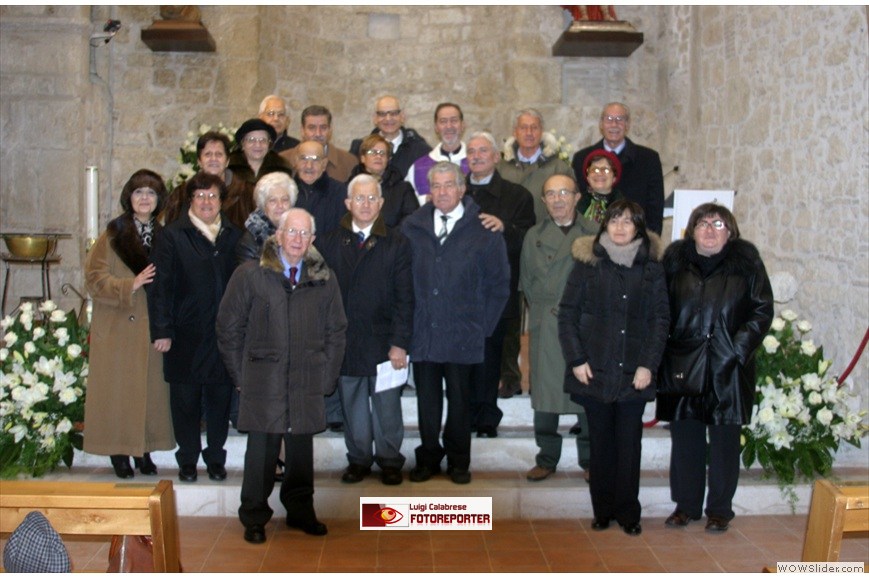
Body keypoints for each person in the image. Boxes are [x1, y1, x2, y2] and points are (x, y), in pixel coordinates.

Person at [216, 208, 346, 544]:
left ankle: (300, 511)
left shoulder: (324, 278)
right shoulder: (250, 274)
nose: (298, 239)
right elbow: (228, 328)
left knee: (300, 452)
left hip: (306, 377)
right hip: (263, 378)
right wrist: (240, 375)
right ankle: (254, 516)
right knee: (261, 452)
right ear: (278, 235)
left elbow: (336, 330)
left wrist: (327, 377)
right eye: (292, 231)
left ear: (312, 239)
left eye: (304, 233)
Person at [656, 203, 774, 533]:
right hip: (683, 363)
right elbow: (659, 309)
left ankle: (720, 509)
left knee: (724, 442)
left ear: (730, 232)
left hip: (728, 367)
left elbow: (762, 310)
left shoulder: (747, 264)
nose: (710, 230)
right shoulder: (674, 265)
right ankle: (686, 506)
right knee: (686, 440)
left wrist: (736, 350)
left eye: (718, 224)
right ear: (691, 231)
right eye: (703, 223)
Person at [558, 199, 669, 537]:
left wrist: (648, 365)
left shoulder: (651, 268)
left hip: (634, 374)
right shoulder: (588, 264)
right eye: (614, 220)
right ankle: (602, 510)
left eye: (628, 221)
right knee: (601, 446)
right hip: (594, 370)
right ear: (604, 225)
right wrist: (577, 360)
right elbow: (567, 315)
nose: (620, 227)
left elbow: (660, 320)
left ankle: (628, 513)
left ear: (639, 228)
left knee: (629, 447)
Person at [401, 161, 509, 484]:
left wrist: (482, 327)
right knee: (427, 401)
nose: (443, 191)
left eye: (450, 185)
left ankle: (459, 460)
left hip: (464, 332)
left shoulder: (484, 229)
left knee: (461, 400)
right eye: (436, 186)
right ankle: (428, 456)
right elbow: (400, 279)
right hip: (424, 331)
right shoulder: (412, 228)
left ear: (462, 189)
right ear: (428, 192)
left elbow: (499, 284)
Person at [316, 174, 414, 486]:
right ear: (348, 203)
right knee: (353, 406)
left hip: (384, 343)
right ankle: (358, 459)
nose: (366, 204)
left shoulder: (397, 242)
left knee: (387, 408)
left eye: (372, 198)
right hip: (346, 341)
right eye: (359, 198)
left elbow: (406, 298)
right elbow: (318, 295)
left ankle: (389, 460)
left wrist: (400, 343)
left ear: (381, 203)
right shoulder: (328, 242)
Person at [149, 171, 243, 483]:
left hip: (223, 335)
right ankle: (188, 458)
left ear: (221, 201)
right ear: (190, 200)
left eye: (212, 195)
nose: (206, 201)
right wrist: (161, 330)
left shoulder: (234, 235)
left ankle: (215, 457)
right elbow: (160, 287)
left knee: (219, 400)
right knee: (185, 401)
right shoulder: (173, 235)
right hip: (184, 334)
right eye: (200, 195)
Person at [84, 169, 174, 478]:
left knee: (147, 393)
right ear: (129, 197)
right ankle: (120, 452)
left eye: (151, 192)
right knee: (120, 392)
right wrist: (129, 285)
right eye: (139, 192)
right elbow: (93, 278)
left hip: (150, 328)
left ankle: (144, 448)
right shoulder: (113, 235)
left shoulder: (165, 236)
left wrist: (166, 328)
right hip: (118, 326)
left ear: (159, 199)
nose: (145, 198)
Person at [519, 174, 597, 482]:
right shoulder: (533, 235)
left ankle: (590, 459)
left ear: (577, 197)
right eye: (551, 194)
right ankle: (547, 457)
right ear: (544, 201)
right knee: (545, 394)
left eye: (564, 192)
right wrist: (544, 309)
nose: (558, 199)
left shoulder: (594, 232)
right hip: (546, 321)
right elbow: (526, 281)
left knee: (586, 393)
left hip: (583, 323)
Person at [463, 131, 535, 438]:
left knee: (490, 357)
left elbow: (529, 240)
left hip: (496, 290)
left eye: (483, 151)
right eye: (471, 152)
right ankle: (463, 417)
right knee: (462, 358)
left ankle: (486, 418)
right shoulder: (455, 191)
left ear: (496, 157)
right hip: (460, 291)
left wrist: (505, 227)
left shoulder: (517, 195)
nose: (476, 156)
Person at [572, 102, 664, 234]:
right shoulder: (581, 158)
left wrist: (650, 241)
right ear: (601, 124)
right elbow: (576, 201)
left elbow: (655, 208)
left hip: (635, 237)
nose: (614, 124)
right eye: (609, 119)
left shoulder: (648, 159)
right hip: (589, 235)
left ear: (627, 125)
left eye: (620, 119)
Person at [498, 108, 575, 224]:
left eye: (534, 128)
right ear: (515, 132)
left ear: (542, 132)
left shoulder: (559, 168)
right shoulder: (501, 168)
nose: (529, 133)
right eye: (523, 127)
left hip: (547, 233)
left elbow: (571, 206)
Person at [160, 131, 246, 227]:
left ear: (227, 161)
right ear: (199, 162)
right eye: (208, 154)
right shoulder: (180, 195)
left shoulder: (246, 193)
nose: (213, 159)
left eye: (219, 154)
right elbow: (171, 231)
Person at [226, 118, 292, 229]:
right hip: (233, 229)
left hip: (271, 230)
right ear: (242, 143)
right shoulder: (229, 167)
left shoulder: (282, 169)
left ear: (269, 144)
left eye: (263, 140)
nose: (258, 145)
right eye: (251, 140)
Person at [349, 95, 432, 178]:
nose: (388, 118)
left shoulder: (420, 150)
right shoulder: (359, 148)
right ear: (375, 118)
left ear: (402, 116)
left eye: (394, 113)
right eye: (382, 114)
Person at [346, 134, 418, 229]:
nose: (378, 156)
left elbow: (411, 220)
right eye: (373, 152)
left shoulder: (403, 189)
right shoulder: (348, 187)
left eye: (382, 153)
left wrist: (391, 235)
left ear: (388, 159)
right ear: (363, 158)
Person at [405, 102, 470, 205]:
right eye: (443, 121)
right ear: (436, 127)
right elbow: (407, 204)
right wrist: (425, 200)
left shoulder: (475, 163)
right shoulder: (417, 168)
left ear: (462, 125)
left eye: (454, 120)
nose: (449, 126)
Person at [280, 105, 357, 182]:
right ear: (302, 130)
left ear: (330, 130)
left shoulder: (349, 162)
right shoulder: (282, 160)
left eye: (323, 127)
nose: (318, 134)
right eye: (312, 128)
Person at [236, 172, 298, 263]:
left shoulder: (300, 231)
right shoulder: (250, 241)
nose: (280, 205)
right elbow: (247, 272)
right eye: (273, 201)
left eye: (285, 200)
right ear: (263, 205)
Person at [292, 140, 349, 238]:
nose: (309, 166)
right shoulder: (285, 191)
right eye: (304, 158)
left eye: (315, 160)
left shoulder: (340, 192)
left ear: (324, 164)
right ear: (296, 161)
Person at [577, 149, 625, 225]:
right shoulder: (576, 203)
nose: (599, 174)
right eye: (594, 170)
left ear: (614, 178)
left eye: (605, 170)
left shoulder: (624, 207)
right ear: (588, 177)